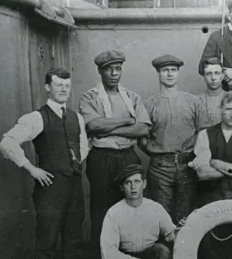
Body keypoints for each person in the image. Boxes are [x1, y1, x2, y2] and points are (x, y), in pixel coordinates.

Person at [0, 68, 89, 258]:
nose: (64, 89)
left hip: (74, 187)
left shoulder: (77, 118)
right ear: (48, 87)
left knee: (74, 241)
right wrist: (32, 169)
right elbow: (7, 143)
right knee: (47, 242)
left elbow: (83, 146)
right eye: (59, 85)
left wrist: (72, 164)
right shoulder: (37, 117)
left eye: (67, 86)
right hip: (49, 189)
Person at [79, 50, 152, 255]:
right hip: (101, 158)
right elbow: (92, 125)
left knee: (131, 207)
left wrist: (109, 128)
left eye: (118, 68)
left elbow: (143, 128)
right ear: (100, 71)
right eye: (109, 69)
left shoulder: (132, 97)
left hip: (128, 156)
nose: (114, 73)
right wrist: (126, 121)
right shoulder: (89, 97)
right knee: (102, 209)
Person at [188, 91, 232, 259]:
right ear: (220, 109)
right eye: (228, 109)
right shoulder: (205, 135)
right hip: (211, 197)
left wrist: (216, 163)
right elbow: (202, 172)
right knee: (210, 242)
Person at [139, 54, 201, 223]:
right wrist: (158, 152)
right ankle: (164, 250)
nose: (170, 74)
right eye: (165, 70)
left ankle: (184, 249)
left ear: (178, 73)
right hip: (160, 168)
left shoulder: (192, 101)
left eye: (173, 70)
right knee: (161, 215)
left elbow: (201, 133)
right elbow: (142, 139)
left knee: (186, 215)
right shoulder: (149, 104)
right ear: (158, 73)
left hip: (187, 165)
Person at [101, 164, 175, 259]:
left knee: (162, 251)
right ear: (122, 187)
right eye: (128, 182)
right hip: (124, 255)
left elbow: (170, 232)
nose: (133, 187)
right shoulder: (113, 212)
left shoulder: (156, 208)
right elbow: (107, 251)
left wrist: (178, 231)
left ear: (144, 184)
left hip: (150, 254)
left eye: (137, 181)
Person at [197, 57, 227, 128]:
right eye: (208, 74)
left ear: (222, 75)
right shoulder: (196, 101)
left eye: (217, 73)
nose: (213, 78)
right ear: (204, 76)